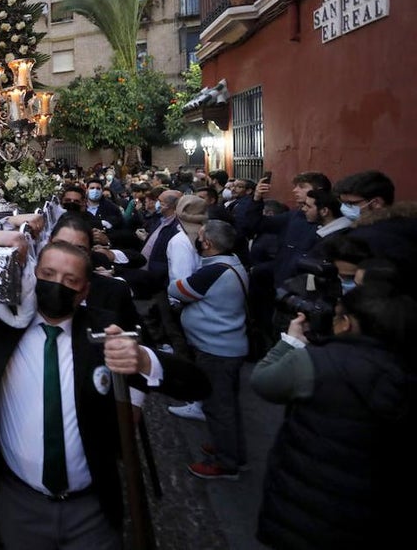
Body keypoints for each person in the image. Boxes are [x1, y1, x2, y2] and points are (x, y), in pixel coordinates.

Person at [0, 239, 209, 548]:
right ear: (32, 275)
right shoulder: (3, 326)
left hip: (91, 507)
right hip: (20, 503)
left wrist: (143, 360)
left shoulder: (102, 330)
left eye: (70, 280)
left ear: (84, 291)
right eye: (48, 274)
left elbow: (197, 384)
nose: (57, 284)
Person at [251, 282, 417, 548]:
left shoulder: (318, 362)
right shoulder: (402, 368)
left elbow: (263, 382)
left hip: (307, 502)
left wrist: (291, 342)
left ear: (347, 323)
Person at [168, 219, 250, 479]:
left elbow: (178, 289)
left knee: (218, 406)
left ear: (208, 243)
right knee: (227, 404)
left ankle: (226, 464)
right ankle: (231, 449)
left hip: (217, 350)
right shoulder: (230, 262)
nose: (197, 239)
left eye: (200, 236)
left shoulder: (212, 271)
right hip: (226, 347)